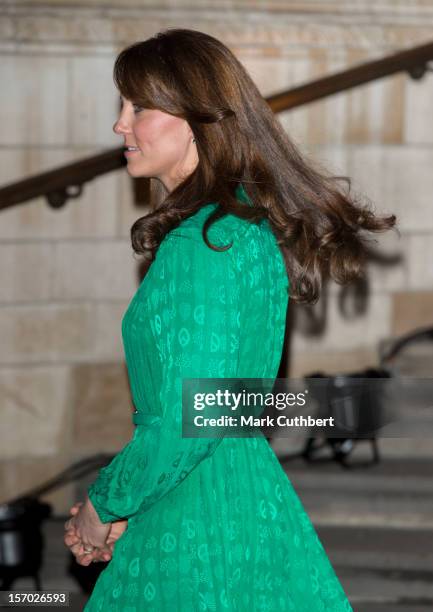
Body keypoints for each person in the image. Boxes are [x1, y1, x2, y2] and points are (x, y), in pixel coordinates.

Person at [64, 28, 396, 610]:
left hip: (200, 513)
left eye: (138, 106)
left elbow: (191, 418)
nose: (121, 124)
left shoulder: (206, 242)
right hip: (219, 490)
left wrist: (102, 505)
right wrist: (132, 502)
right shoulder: (239, 229)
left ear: (196, 119)